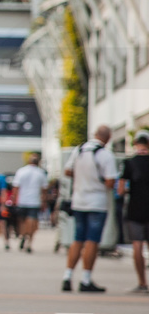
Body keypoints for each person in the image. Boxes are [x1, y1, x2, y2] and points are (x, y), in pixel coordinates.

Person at [62, 125, 118, 292]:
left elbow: (67, 171)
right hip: (97, 203)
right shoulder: (105, 154)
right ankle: (86, 279)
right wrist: (97, 181)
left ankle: (67, 276)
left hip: (78, 201)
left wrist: (82, 178)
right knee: (92, 240)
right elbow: (110, 182)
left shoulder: (79, 150)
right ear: (108, 138)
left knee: (77, 239)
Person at [118, 132, 149, 294]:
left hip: (135, 207)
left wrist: (130, 189)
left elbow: (121, 190)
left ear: (135, 144)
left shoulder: (129, 163)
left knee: (137, 244)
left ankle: (142, 282)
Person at [11, 153, 47, 253]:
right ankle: (29, 243)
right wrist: (44, 201)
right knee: (32, 222)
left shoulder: (21, 171)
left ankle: (23, 235)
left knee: (22, 221)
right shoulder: (41, 173)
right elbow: (44, 189)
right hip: (34, 201)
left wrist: (14, 199)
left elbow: (16, 187)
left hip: (22, 200)